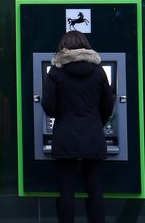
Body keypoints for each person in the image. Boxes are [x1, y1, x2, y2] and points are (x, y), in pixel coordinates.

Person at [41, 31, 115, 223]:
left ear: (63, 47)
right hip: (92, 133)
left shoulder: (56, 71)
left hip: (66, 134)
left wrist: (62, 116)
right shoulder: (99, 71)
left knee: (66, 189)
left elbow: (48, 104)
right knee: (95, 187)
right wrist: (97, 121)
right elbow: (108, 103)